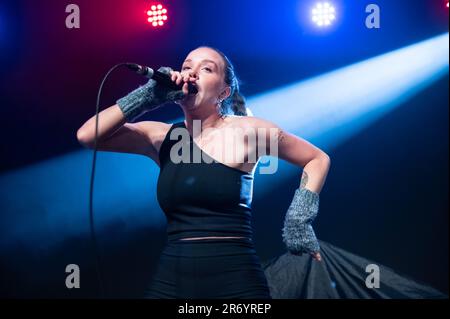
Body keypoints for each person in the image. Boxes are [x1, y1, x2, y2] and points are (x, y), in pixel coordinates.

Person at [77, 47, 446, 299]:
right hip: (173, 273)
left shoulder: (248, 130)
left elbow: (317, 159)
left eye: (206, 68)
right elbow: (88, 135)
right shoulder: (160, 137)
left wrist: (299, 217)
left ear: (223, 90)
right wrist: (147, 96)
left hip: (234, 274)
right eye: (187, 65)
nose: (190, 72)